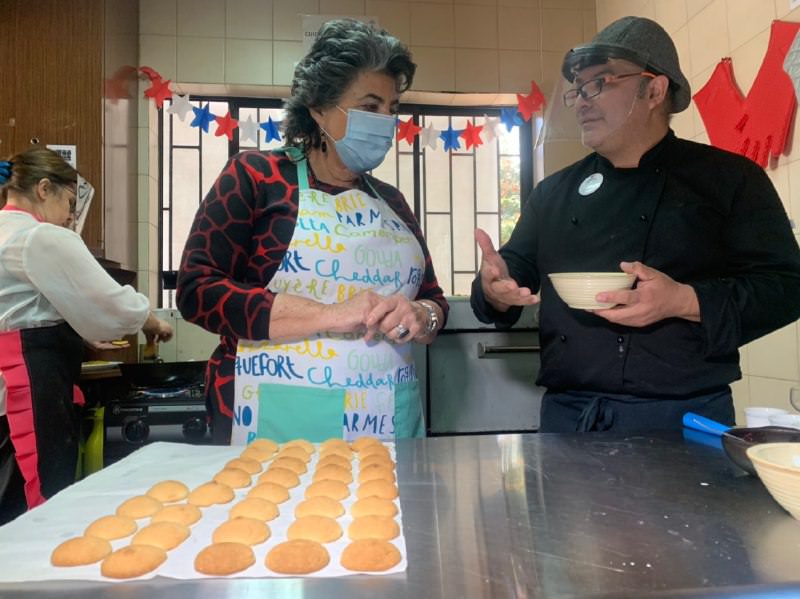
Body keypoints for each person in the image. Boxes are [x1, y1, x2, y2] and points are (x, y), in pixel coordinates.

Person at [471, 16, 800, 433]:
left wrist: (684, 300)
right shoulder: (553, 192)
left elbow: (787, 287)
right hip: (570, 418)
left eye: (601, 83)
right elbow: (512, 272)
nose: (583, 100)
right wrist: (493, 288)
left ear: (655, 89)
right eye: (579, 89)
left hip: (684, 418)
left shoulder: (730, 178)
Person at [176, 18, 448, 445]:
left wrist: (422, 315)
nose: (386, 121)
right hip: (274, 416)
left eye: (392, 109)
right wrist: (330, 315)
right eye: (370, 106)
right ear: (320, 108)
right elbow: (197, 291)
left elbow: (433, 297)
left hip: (386, 418)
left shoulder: (392, 202)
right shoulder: (256, 177)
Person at [0, 148, 173, 523]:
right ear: (44, 189)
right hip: (28, 384)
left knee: (9, 500)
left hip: (10, 386)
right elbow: (108, 303)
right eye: (69, 203)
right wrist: (152, 322)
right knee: (38, 502)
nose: (69, 217)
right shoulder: (39, 237)